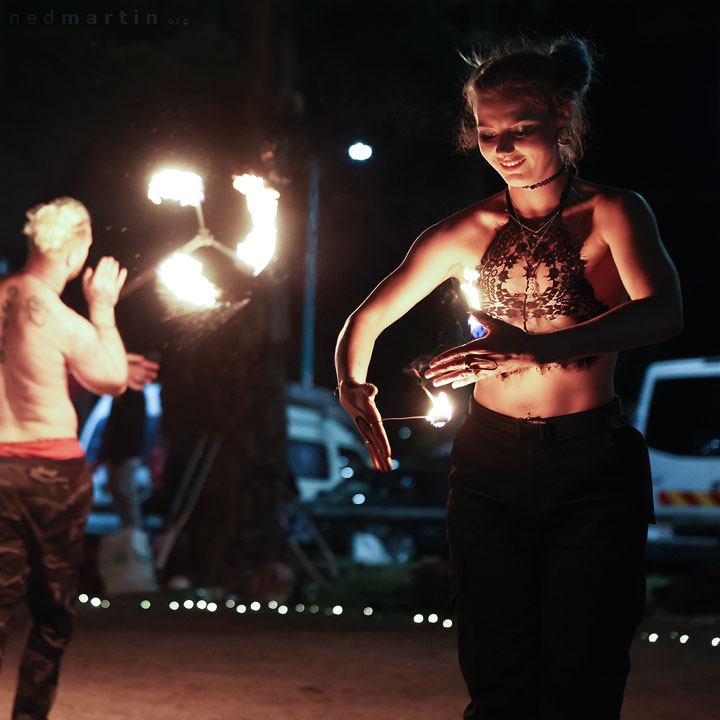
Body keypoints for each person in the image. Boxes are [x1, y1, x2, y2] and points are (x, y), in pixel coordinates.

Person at [335, 38, 682, 720]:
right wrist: (351, 382)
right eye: (490, 134)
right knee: (495, 667)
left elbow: (663, 314)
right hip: (489, 464)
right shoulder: (467, 230)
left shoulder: (613, 212)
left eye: (521, 129)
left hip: (590, 464)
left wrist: (534, 349)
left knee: (584, 664)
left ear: (563, 116)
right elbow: (368, 316)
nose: (504, 147)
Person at [0, 197, 128, 720]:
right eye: (88, 242)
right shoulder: (61, 317)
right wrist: (103, 312)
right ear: (74, 245)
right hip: (50, 475)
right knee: (52, 613)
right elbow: (112, 379)